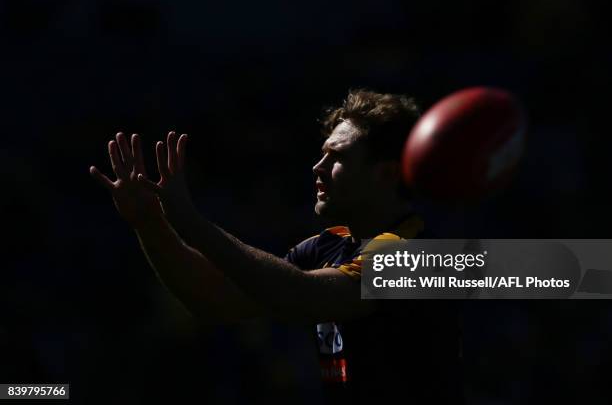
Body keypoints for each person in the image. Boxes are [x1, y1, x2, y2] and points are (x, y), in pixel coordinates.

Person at [90, 89, 463, 403]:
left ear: (386, 174)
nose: (317, 166)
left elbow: (302, 295)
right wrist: (150, 223)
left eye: (338, 157)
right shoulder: (325, 248)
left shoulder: (419, 255)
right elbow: (214, 300)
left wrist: (189, 220)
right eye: (322, 153)